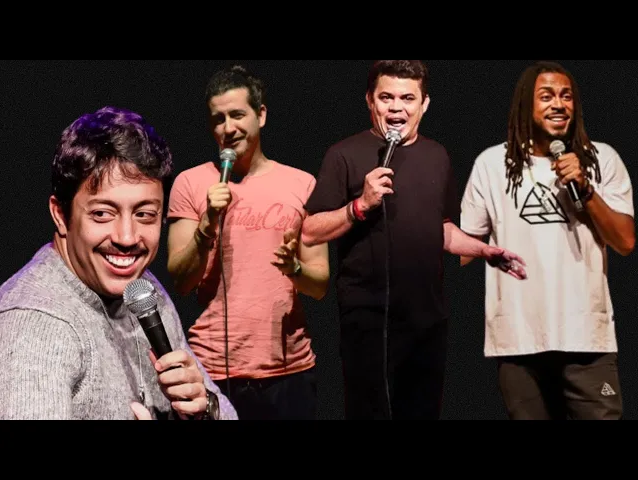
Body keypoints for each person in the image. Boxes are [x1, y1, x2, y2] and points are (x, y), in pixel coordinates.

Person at [301, 60, 527, 420]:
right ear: (370, 100)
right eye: (386, 97)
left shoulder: (438, 155)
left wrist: (484, 250)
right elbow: (311, 230)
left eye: (407, 98)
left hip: (427, 322)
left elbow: (442, 229)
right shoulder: (344, 154)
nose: (396, 108)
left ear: (424, 104)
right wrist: (359, 206)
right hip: (367, 321)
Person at [0, 106, 237, 420]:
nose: (127, 237)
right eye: (102, 214)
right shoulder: (36, 325)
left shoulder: (143, 290)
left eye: (145, 215)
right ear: (61, 215)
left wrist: (205, 406)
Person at [460, 61, 635, 420]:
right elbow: (465, 247)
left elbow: (625, 241)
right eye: (547, 96)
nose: (559, 104)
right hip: (518, 339)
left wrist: (586, 188)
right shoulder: (492, 164)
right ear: (526, 104)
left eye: (566, 96)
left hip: (586, 338)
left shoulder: (602, 159)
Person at [166, 65, 329, 420]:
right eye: (218, 119)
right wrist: (207, 223)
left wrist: (294, 268)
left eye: (237, 115)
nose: (228, 128)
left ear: (261, 115)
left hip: (289, 373)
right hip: (212, 370)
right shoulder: (190, 183)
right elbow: (180, 281)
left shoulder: (302, 184)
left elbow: (319, 286)